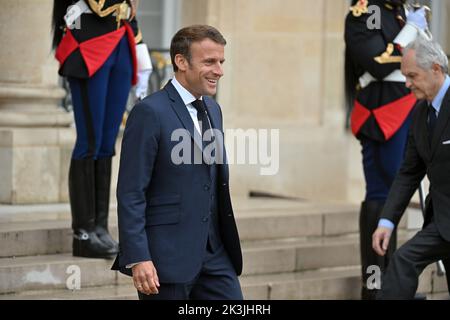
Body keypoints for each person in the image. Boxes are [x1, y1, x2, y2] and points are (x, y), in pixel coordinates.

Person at [111, 25, 243, 300]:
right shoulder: (149, 112)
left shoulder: (214, 109)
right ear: (181, 62)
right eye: (209, 61)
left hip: (215, 256)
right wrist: (138, 257)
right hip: (165, 260)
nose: (219, 70)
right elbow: (131, 191)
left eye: (221, 62)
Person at [52, 0, 152, 259]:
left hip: (120, 42)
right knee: (90, 140)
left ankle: (100, 227)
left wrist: (139, 46)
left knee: (107, 142)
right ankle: (82, 233)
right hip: (88, 43)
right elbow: (99, 5)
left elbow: (128, 12)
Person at [344, 0, 428, 299]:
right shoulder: (365, 12)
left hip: (409, 108)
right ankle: (375, 286)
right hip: (382, 114)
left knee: (396, 194)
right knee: (382, 195)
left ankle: (390, 285)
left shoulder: (400, 10)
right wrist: (410, 33)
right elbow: (377, 62)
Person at [372, 37, 450, 299]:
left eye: (412, 76)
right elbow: (408, 173)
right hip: (440, 223)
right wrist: (387, 221)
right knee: (404, 261)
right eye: (405, 76)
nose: (407, 84)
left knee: (404, 259)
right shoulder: (419, 114)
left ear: (436, 69)